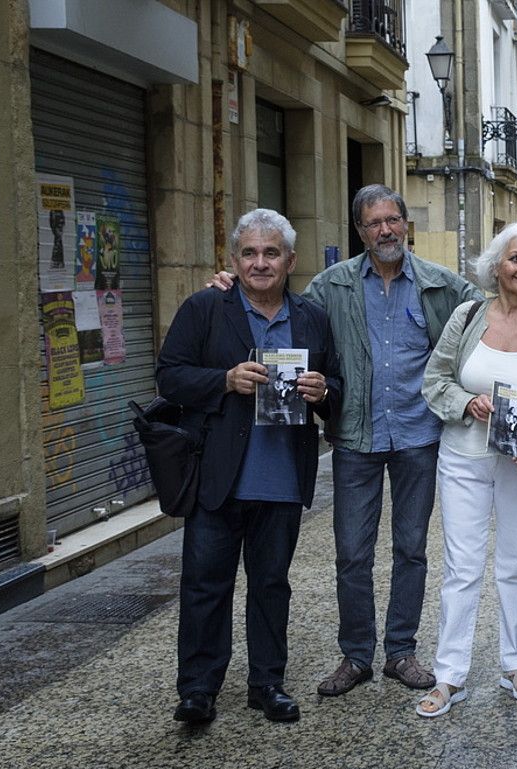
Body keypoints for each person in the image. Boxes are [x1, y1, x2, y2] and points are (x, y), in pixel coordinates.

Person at [210, 186, 480, 697]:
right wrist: (231, 289)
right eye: (374, 223)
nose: (385, 230)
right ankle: (356, 656)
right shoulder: (329, 287)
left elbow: (489, 318)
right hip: (355, 436)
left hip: (418, 435)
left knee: (411, 549)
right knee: (352, 553)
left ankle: (401, 652)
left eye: (393, 220)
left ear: (407, 226)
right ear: (360, 231)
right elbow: (276, 311)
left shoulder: (443, 287)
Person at [158, 209, 341, 725]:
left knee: (270, 587)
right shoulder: (205, 309)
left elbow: (339, 391)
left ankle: (267, 683)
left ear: (290, 260)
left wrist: (324, 391)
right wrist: (224, 380)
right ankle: (197, 689)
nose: (260, 263)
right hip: (219, 478)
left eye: (271, 253)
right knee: (204, 586)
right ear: (235, 259)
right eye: (250, 253)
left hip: (282, 478)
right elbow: (169, 377)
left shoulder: (311, 318)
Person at [415, 223, 517, 718]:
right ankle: (449, 677)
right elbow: (435, 380)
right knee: (462, 568)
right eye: (515, 259)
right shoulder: (467, 317)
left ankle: (516, 665)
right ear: (496, 264)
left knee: (514, 564)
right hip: (464, 458)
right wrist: (468, 403)